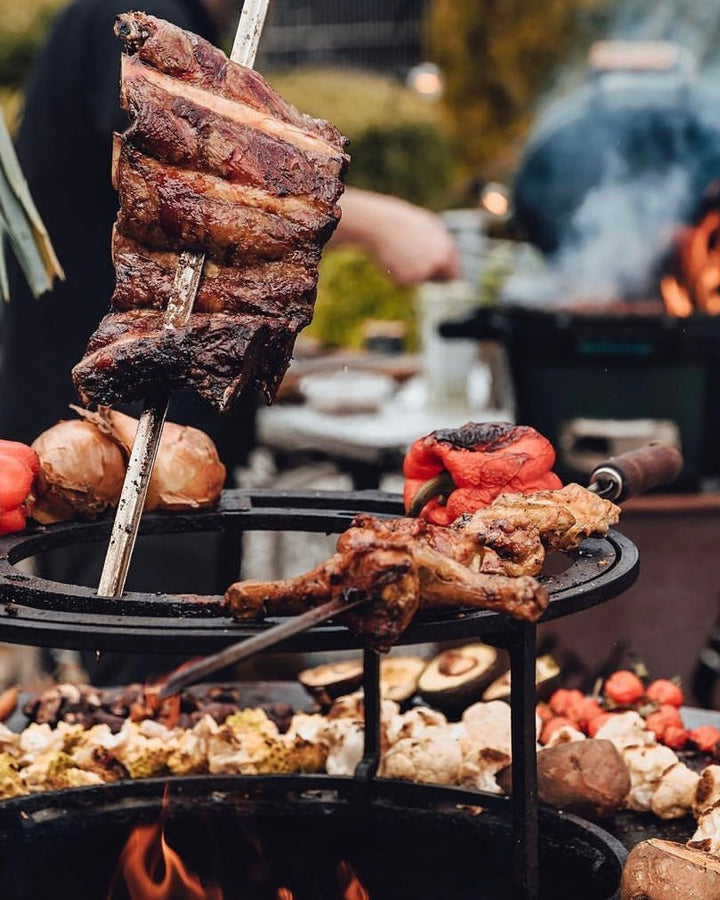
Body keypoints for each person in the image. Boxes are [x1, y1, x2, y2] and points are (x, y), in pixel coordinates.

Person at [0, 0, 458, 682]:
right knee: (147, 673)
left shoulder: (184, 19)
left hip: (156, 413)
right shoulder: (135, 8)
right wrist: (370, 220)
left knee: (181, 657)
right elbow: (152, 163)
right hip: (115, 429)